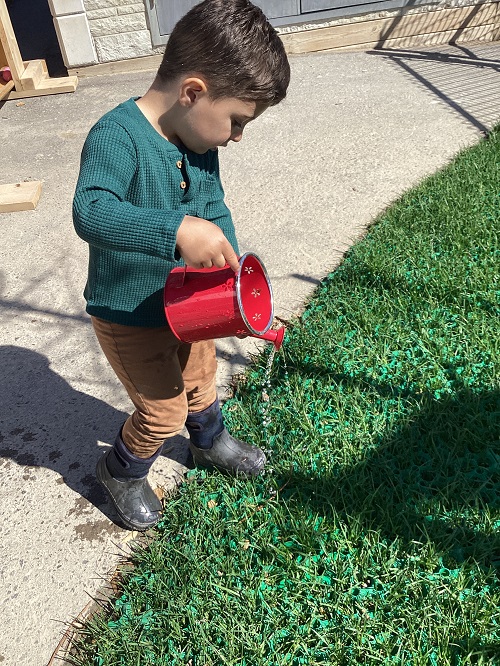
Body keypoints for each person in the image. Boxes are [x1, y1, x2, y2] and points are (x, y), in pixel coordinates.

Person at [73, 0, 290, 531]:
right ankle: (120, 472)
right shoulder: (116, 136)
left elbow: (213, 210)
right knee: (163, 412)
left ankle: (211, 441)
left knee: (202, 377)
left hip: (189, 304)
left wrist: (236, 280)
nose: (237, 136)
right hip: (130, 313)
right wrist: (173, 229)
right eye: (237, 120)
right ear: (193, 92)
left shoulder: (197, 140)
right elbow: (91, 211)